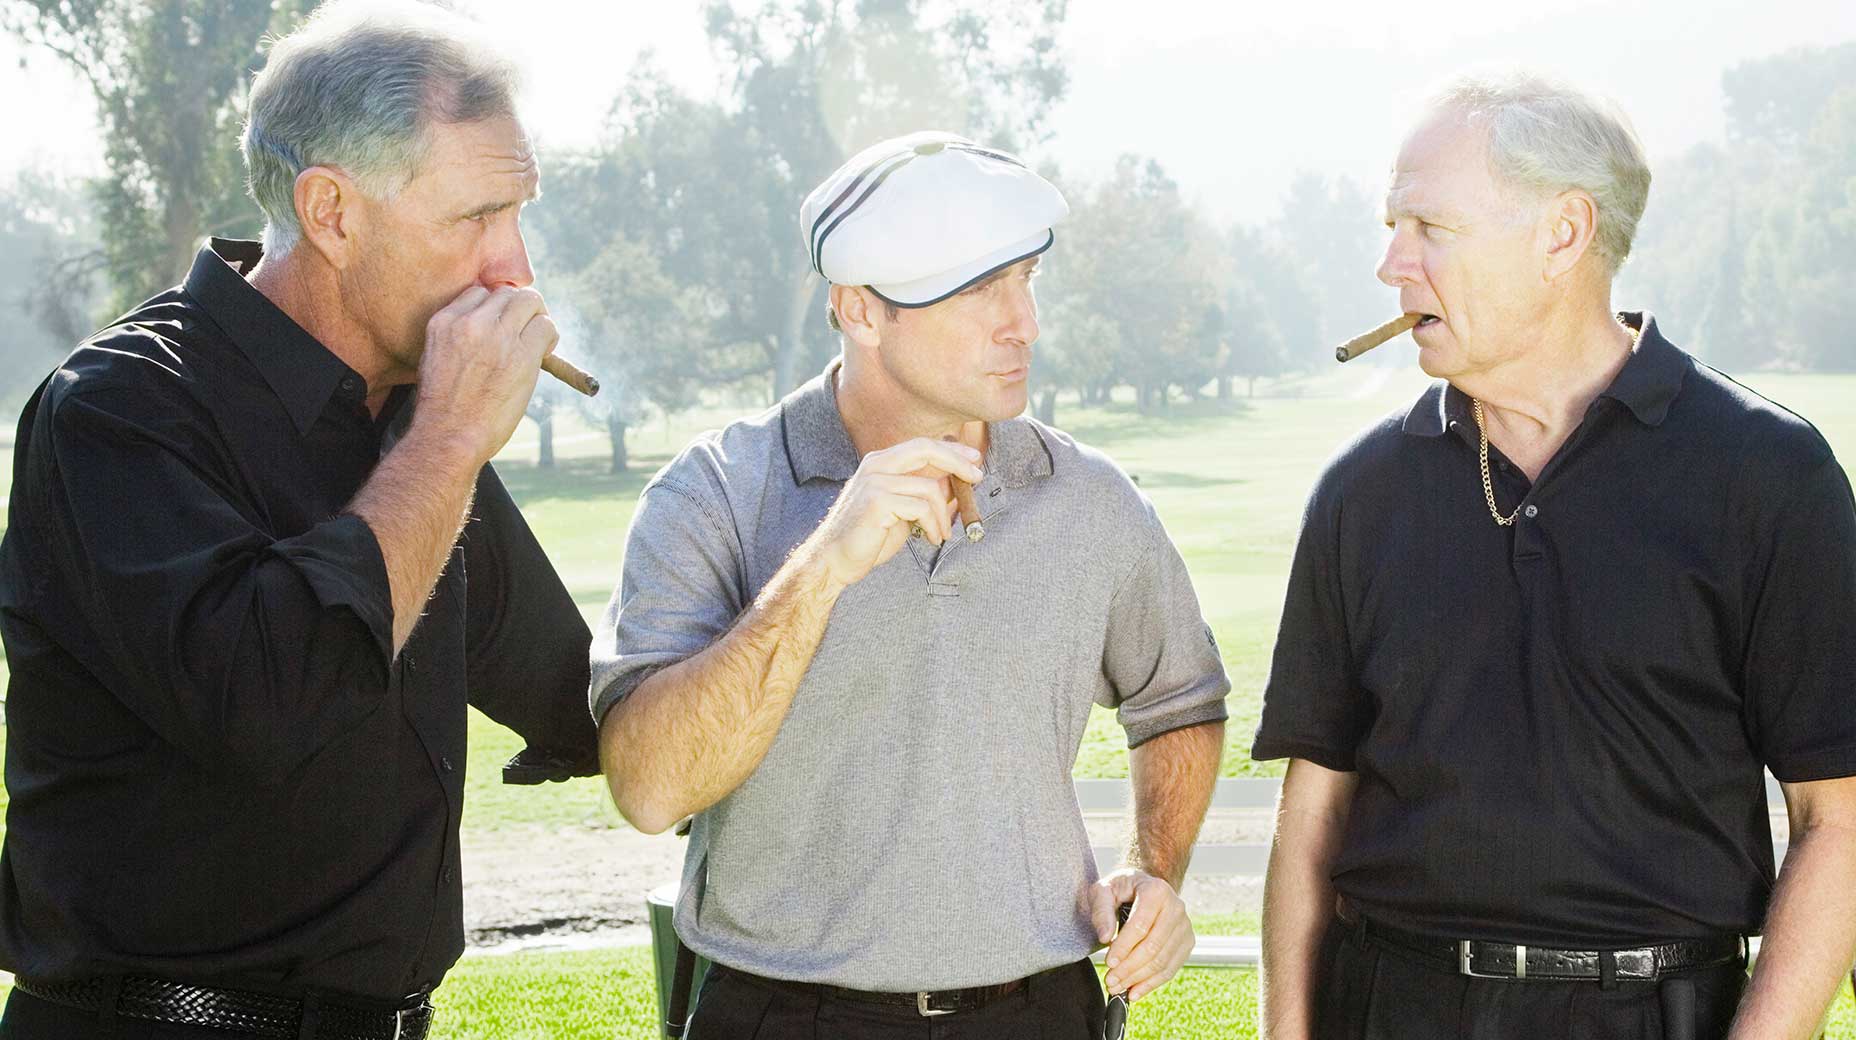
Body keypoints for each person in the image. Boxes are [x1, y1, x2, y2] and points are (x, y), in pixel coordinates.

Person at [0, 2, 598, 1037]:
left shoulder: (411, 414)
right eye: (474, 216)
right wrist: (450, 441)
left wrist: (807, 545)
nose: (515, 268)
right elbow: (271, 707)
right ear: (330, 211)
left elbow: (577, 694)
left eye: (519, 212)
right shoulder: (119, 409)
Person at [1252, 70, 1856, 1040]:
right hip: (1390, 1005)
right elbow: (1311, 810)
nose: (1389, 264)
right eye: (1389, 224)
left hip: (1654, 1014)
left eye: (1427, 228)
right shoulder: (1361, 490)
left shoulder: (1766, 474)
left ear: (1562, 234)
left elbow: (1838, 823)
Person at [592, 131, 1231, 1038]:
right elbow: (650, 789)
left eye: (1027, 279)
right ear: (860, 310)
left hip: (1040, 1011)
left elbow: (1181, 700)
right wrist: (825, 566)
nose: (1024, 323)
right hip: (781, 1013)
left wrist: (1154, 871)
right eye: (979, 289)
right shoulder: (716, 493)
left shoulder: (1090, 500)